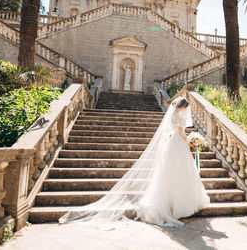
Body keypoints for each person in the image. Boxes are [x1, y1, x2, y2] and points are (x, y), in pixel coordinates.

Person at [59, 96, 210, 229]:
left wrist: (188, 140)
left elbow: (171, 132)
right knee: (179, 172)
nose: (186, 110)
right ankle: (177, 205)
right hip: (178, 145)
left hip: (172, 145)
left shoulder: (172, 116)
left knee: (170, 172)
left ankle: (171, 203)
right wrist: (191, 142)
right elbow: (181, 133)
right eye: (185, 108)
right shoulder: (179, 117)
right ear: (182, 107)